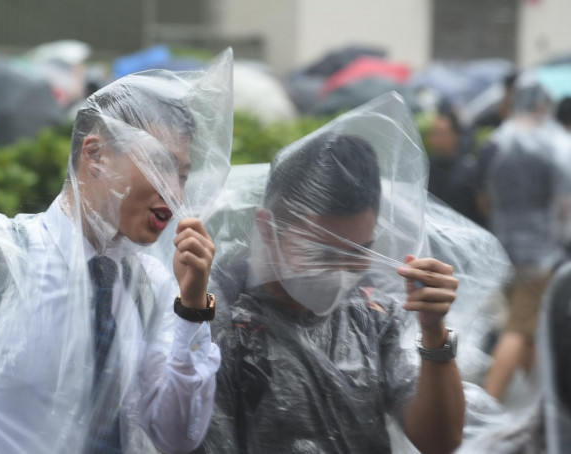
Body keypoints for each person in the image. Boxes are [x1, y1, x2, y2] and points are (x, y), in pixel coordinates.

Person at [0, 50, 233, 453]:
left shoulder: (155, 288)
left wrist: (193, 309)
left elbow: (177, 437)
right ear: (95, 156)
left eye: (182, 175)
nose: (175, 194)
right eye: (161, 166)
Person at [197, 94, 465, 454]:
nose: (342, 274)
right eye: (323, 253)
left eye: (359, 253)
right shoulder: (217, 316)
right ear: (267, 229)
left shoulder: (369, 314)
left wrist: (434, 332)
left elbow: (438, 442)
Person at [482, 73, 571, 402]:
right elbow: (564, 206)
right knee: (519, 329)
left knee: (531, 328)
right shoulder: (556, 145)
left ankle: (540, 405)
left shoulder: (496, 142)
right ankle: (486, 409)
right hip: (541, 253)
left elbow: (484, 196)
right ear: (541, 105)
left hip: (503, 247)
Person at [427, 109, 484, 226]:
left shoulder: (469, 168)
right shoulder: (427, 169)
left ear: (456, 135)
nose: (437, 140)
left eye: (442, 134)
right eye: (434, 134)